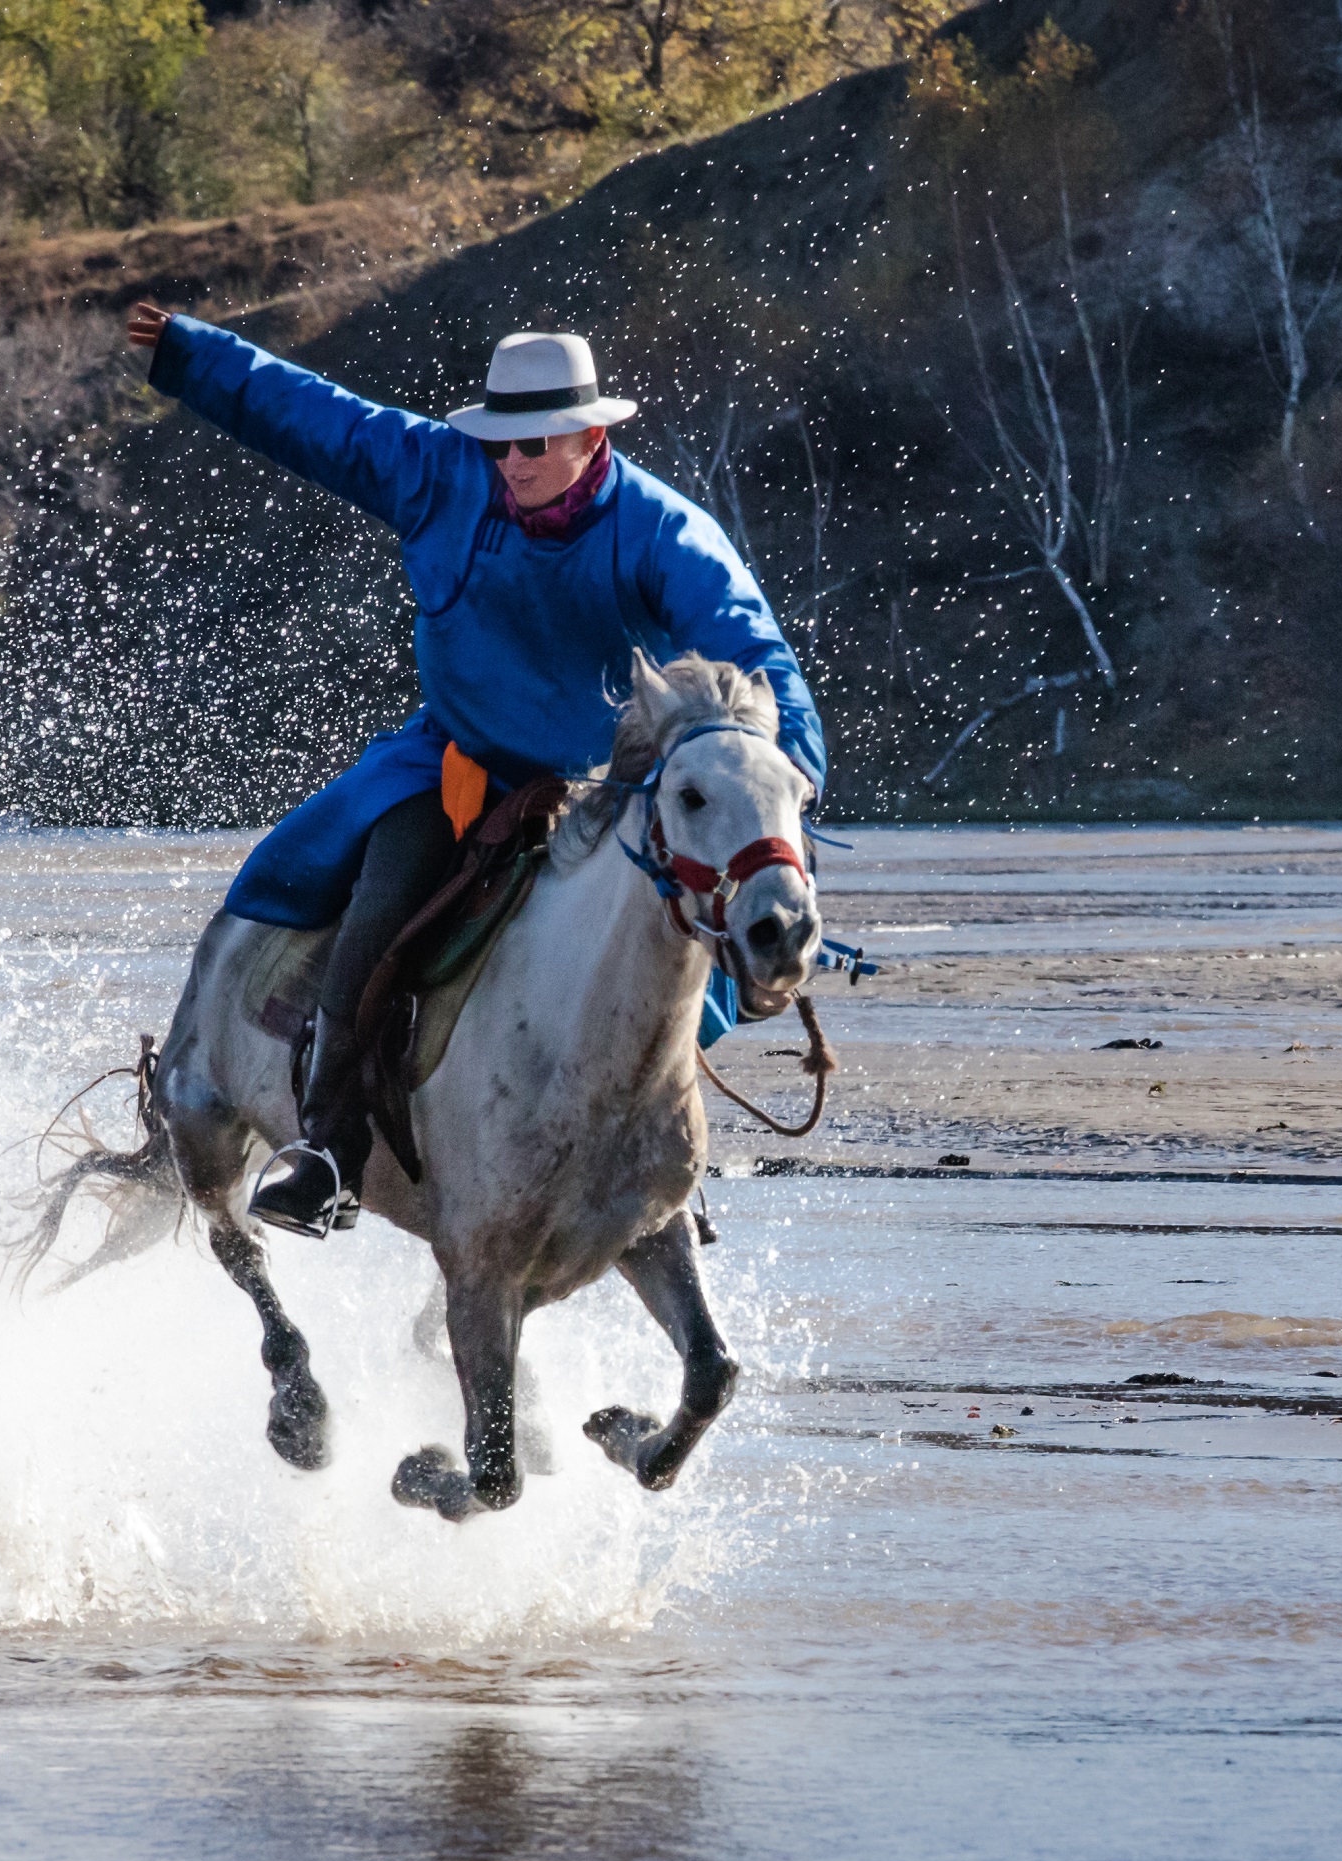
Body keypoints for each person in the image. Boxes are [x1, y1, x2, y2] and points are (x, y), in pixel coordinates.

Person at [119, 300, 828, 1240]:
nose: (513, 462)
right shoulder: (437, 474)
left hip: (600, 793)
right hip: (453, 767)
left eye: (534, 443)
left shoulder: (662, 531)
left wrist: (787, 778)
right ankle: (328, 1150)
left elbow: (755, 648)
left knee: (675, 950)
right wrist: (190, 354)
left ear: (589, 436)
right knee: (374, 914)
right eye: (499, 444)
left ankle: (653, 1160)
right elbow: (314, 417)